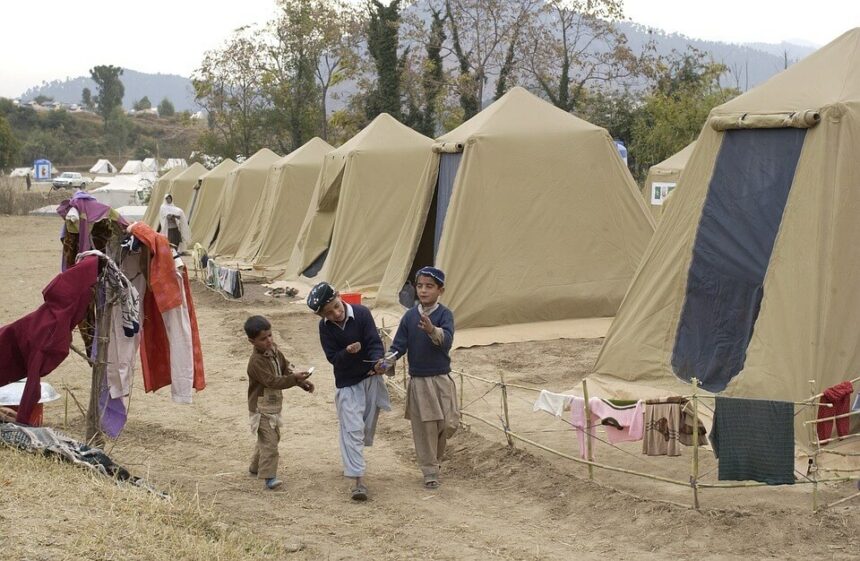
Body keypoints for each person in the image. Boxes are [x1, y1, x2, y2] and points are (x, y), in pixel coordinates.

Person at [308, 282, 390, 501]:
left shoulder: (362, 314)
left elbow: (374, 342)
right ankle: (358, 481)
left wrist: (378, 362)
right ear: (321, 316)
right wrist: (347, 351)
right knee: (351, 429)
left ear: (339, 296)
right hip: (347, 384)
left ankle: (355, 462)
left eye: (336, 306)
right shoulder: (325, 328)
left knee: (363, 428)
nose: (336, 313)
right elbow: (333, 358)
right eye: (329, 313)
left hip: (370, 379)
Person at [378, 266, 458, 489]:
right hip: (420, 381)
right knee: (425, 428)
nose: (423, 291)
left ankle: (436, 460)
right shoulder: (409, 317)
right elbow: (398, 346)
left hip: (441, 378)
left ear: (440, 290)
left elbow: (448, 340)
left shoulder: (445, 315)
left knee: (447, 424)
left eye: (429, 287)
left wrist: (433, 330)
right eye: (420, 286)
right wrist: (385, 363)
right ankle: (430, 470)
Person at [244, 315, 314, 490]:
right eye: (263, 338)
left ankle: (255, 467)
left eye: (270, 335)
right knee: (270, 442)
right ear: (252, 341)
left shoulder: (274, 351)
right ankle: (269, 477)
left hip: (273, 405)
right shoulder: (256, 362)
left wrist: (301, 382)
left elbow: (285, 367)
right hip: (260, 408)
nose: (268, 340)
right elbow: (273, 381)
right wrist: (294, 379)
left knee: (271, 438)